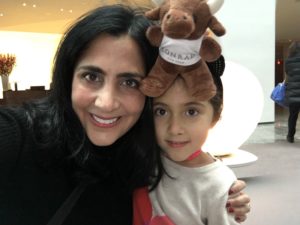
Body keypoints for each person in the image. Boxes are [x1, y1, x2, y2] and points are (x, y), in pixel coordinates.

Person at [0, 4, 250, 225]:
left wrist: (222, 190)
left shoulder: (145, 153)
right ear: (68, 77)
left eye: (130, 82)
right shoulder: (20, 137)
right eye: (91, 76)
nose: (106, 103)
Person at [133, 56, 245, 225]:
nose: (174, 128)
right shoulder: (143, 155)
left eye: (191, 112)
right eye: (161, 111)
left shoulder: (219, 185)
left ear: (215, 116)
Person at [285, 41, 300, 143]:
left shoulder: (288, 61)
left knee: (292, 116)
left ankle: (290, 136)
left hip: (293, 94)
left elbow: (288, 74)